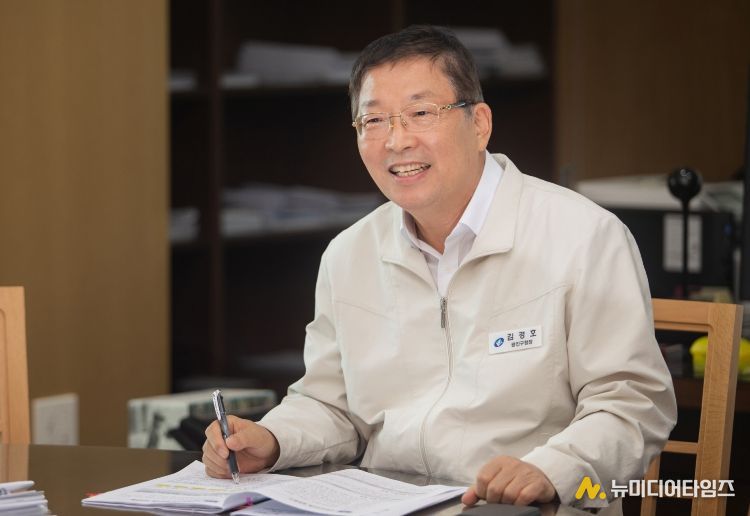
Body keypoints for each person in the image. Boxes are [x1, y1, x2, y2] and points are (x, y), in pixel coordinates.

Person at [203, 25, 677, 510]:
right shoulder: (349, 254)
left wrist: (552, 469)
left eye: (421, 113)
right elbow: (331, 404)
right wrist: (273, 439)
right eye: (374, 120)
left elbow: (632, 403)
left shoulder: (584, 236)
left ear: (480, 124)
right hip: (388, 504)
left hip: (528, 509)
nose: (397, 140)